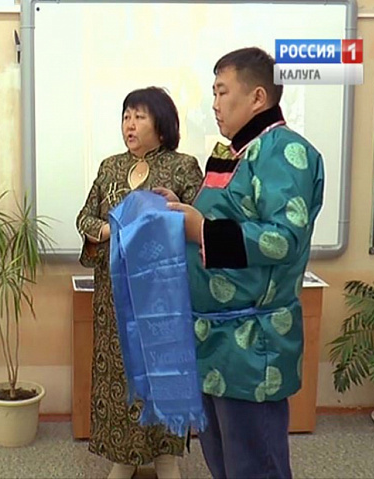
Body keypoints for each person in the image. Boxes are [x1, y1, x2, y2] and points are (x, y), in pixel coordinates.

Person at [161, 47, 324, 478]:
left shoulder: (284, 151)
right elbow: (225, 214)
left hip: (252, 345)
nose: (214, 103)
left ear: (257, 97)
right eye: (213, 92)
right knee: (224, 462)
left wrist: (201, 229)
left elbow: (283, 238)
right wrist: (181, 208)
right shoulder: (232, 153)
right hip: (213, 341)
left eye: (222, 91)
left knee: (255, 465)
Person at [76, 86, 203, 479]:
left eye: (139, 116)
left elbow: (200, 224)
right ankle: (124, 456)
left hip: (163, 300)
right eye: (126, 116)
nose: (129, 125)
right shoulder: (110, 167)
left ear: (161, 124)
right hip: (115, 298)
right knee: (119, 374)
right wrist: (110, 231)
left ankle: (166, 456)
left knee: (162, 372)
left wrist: (168, 215)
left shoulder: (183, 167)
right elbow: (85, 217)